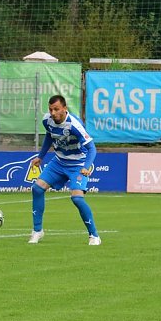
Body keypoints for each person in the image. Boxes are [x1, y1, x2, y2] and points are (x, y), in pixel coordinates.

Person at [29, 94, 101, 246]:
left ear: (64, 109)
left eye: (56, 109)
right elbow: (49, 136)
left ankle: (94, 235)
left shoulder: (74, 125)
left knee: (77, 198)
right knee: (37, 189)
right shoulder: (46, 120)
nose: (53, 113)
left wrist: (86, 167)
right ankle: (37, 231)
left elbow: (92, 148)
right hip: (59, 162)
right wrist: (41, 156)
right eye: (50, 109)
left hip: (77, 164)